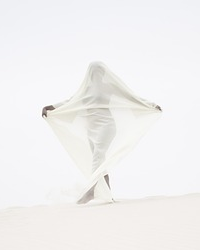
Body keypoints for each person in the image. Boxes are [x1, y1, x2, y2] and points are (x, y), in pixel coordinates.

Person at [42, 62, 161, 204]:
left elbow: (130, 97)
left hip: (107, 126)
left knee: (98, 157)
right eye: (93, 71)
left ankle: (91, 191)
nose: (96, 74)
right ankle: (108, 194)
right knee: (100, 162)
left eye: (99, 71)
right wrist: (51, 107)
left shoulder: (109, 87)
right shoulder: (85, 89)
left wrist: (150, 105)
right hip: (91, 129)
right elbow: (71, 101)